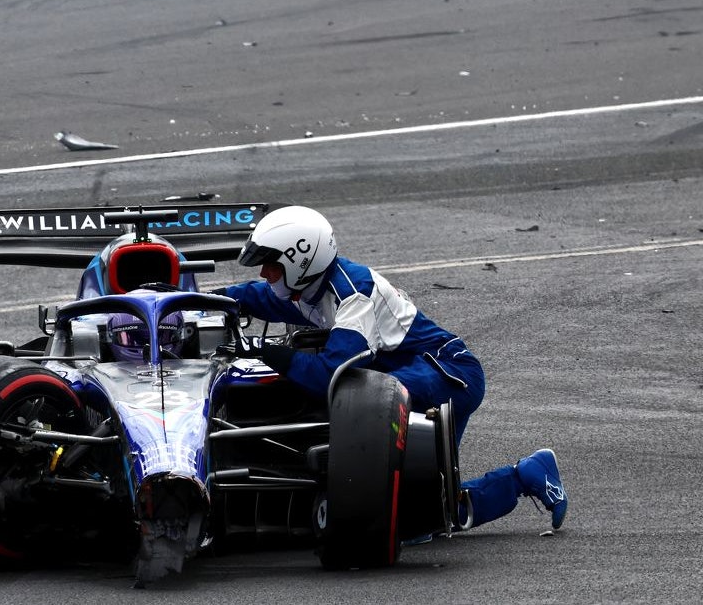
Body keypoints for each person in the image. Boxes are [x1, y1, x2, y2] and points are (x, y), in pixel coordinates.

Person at [212, 205, 567, 533]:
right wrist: (205, 301)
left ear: (299, 261)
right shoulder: (308, 287)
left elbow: (329, 376)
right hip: (425, 371)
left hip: (448, 373)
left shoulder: (354, 296)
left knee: (363, 404)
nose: (264, 273)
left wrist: (264, 350)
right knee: (428, 515)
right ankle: (526, 475)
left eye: (270, 265)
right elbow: (255, 295)